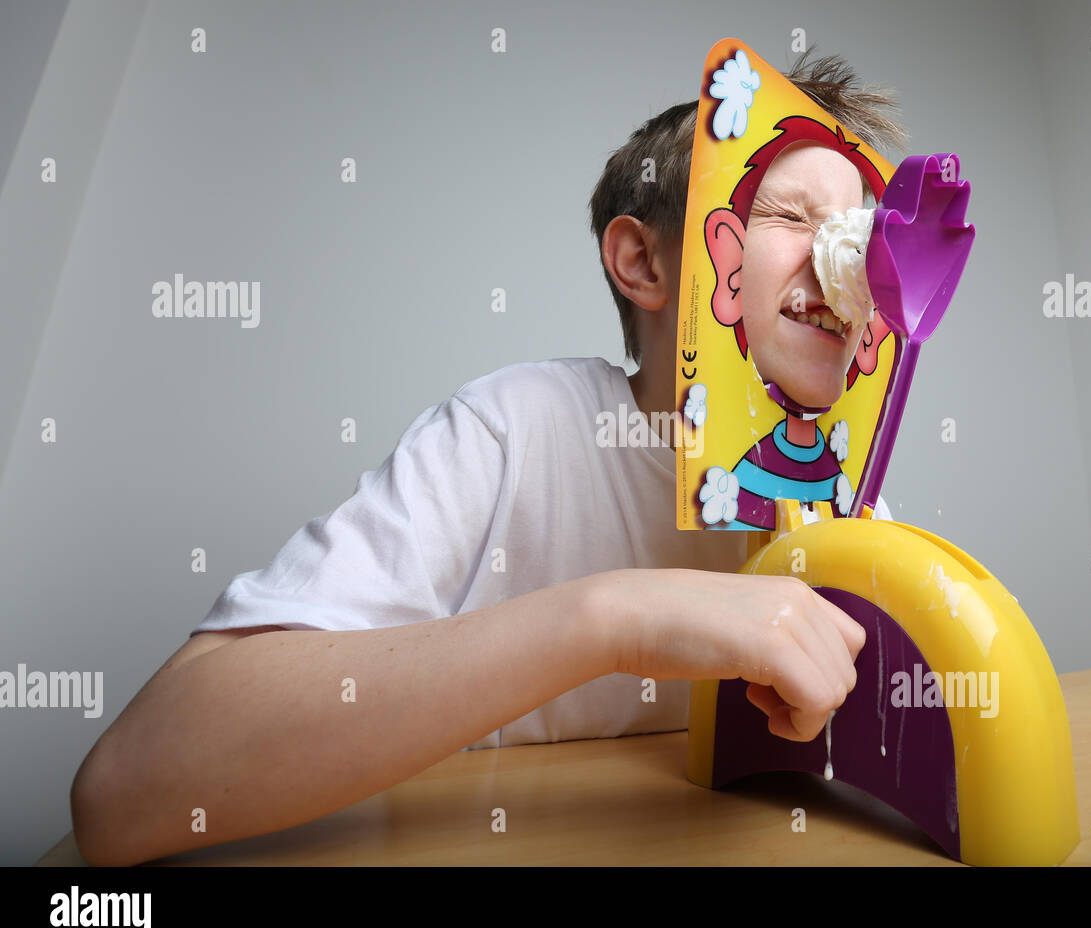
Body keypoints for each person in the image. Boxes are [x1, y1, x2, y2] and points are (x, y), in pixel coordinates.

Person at [69, 50, 905, 866]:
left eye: (857, 236)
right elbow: (121, 796)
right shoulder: (514, 431)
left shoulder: (846, 504)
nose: (845, 269)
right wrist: (614, 617)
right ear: (646, 261)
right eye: (790, 217)